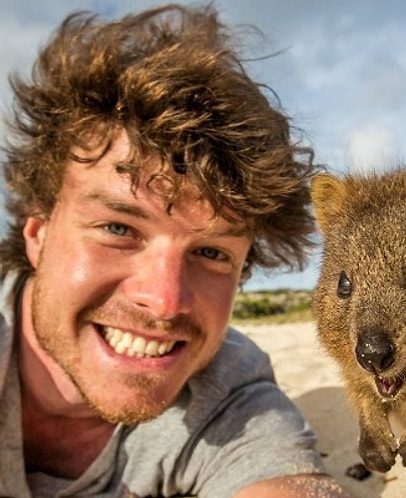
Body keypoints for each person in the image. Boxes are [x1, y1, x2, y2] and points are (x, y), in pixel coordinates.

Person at [0, 5, 349, 497]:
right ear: (37, 234)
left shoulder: (229, 394)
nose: (165, 301)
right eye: (119, 227)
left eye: (211, 253)